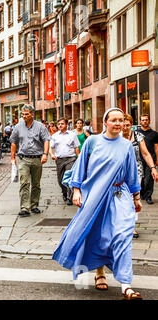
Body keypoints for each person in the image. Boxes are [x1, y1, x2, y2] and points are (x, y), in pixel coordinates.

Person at [53, 107, 143, 300]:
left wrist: (136, 197)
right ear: (105, 122)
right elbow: (80, 167)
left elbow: (131, 174)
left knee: (122, 236)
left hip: (120, 195)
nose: (118, 124)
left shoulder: (126, 146)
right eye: (114, 120)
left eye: (121, 120)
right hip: (95, 194)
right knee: (99, 235)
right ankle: (99, 272)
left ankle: (126, 285)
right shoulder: (93, 142)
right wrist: (76, 191)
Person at [10, 104, 51, 217]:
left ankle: (34, 205)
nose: (24, 116)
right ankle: (24, 207)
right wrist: (13, 158)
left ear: (32, 114)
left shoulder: (41, 127)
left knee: (36, 184)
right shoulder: (18, 127)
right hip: (23, 159)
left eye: (26, 114)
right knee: (24, 183)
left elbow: (46, 140)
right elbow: (13, 142)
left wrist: (45, 154)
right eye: (23, 114)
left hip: (37, 159)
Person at [122, 113, 158, 238]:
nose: (125, 127)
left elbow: (146, 154)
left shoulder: (137, 135)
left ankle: (131, 227)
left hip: (135, 171)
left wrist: (153, 168)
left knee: (133, 198)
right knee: (120, 199)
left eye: (128, 125)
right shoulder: (116, 135)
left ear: (132, 125)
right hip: (118, 172)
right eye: (123, 124)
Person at [49, 118, 80, 206]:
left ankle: (70, 197)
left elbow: (76, 147)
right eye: (59, 124)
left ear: (66, 124)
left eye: (62, 124)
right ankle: (64, 193)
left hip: (70, 159)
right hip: (59, 160)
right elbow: (50, 148)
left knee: (69, 177)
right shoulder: (55, 136)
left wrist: (79, 158)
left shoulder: (72, 134)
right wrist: (51, 155)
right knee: (60, 179)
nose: (60, 125)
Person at [137, 114, 158, 205]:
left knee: (149, 179)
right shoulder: (137, 133)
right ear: (140, 121)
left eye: (146, 120)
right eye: (143, 120)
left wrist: (157, 159)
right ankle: (142, 194)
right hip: (139, 159)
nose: (145, 121)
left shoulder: (154, 134)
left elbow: (156, 147)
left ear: (149, 121)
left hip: (151, 158)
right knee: (142, 177)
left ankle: (148, 196)